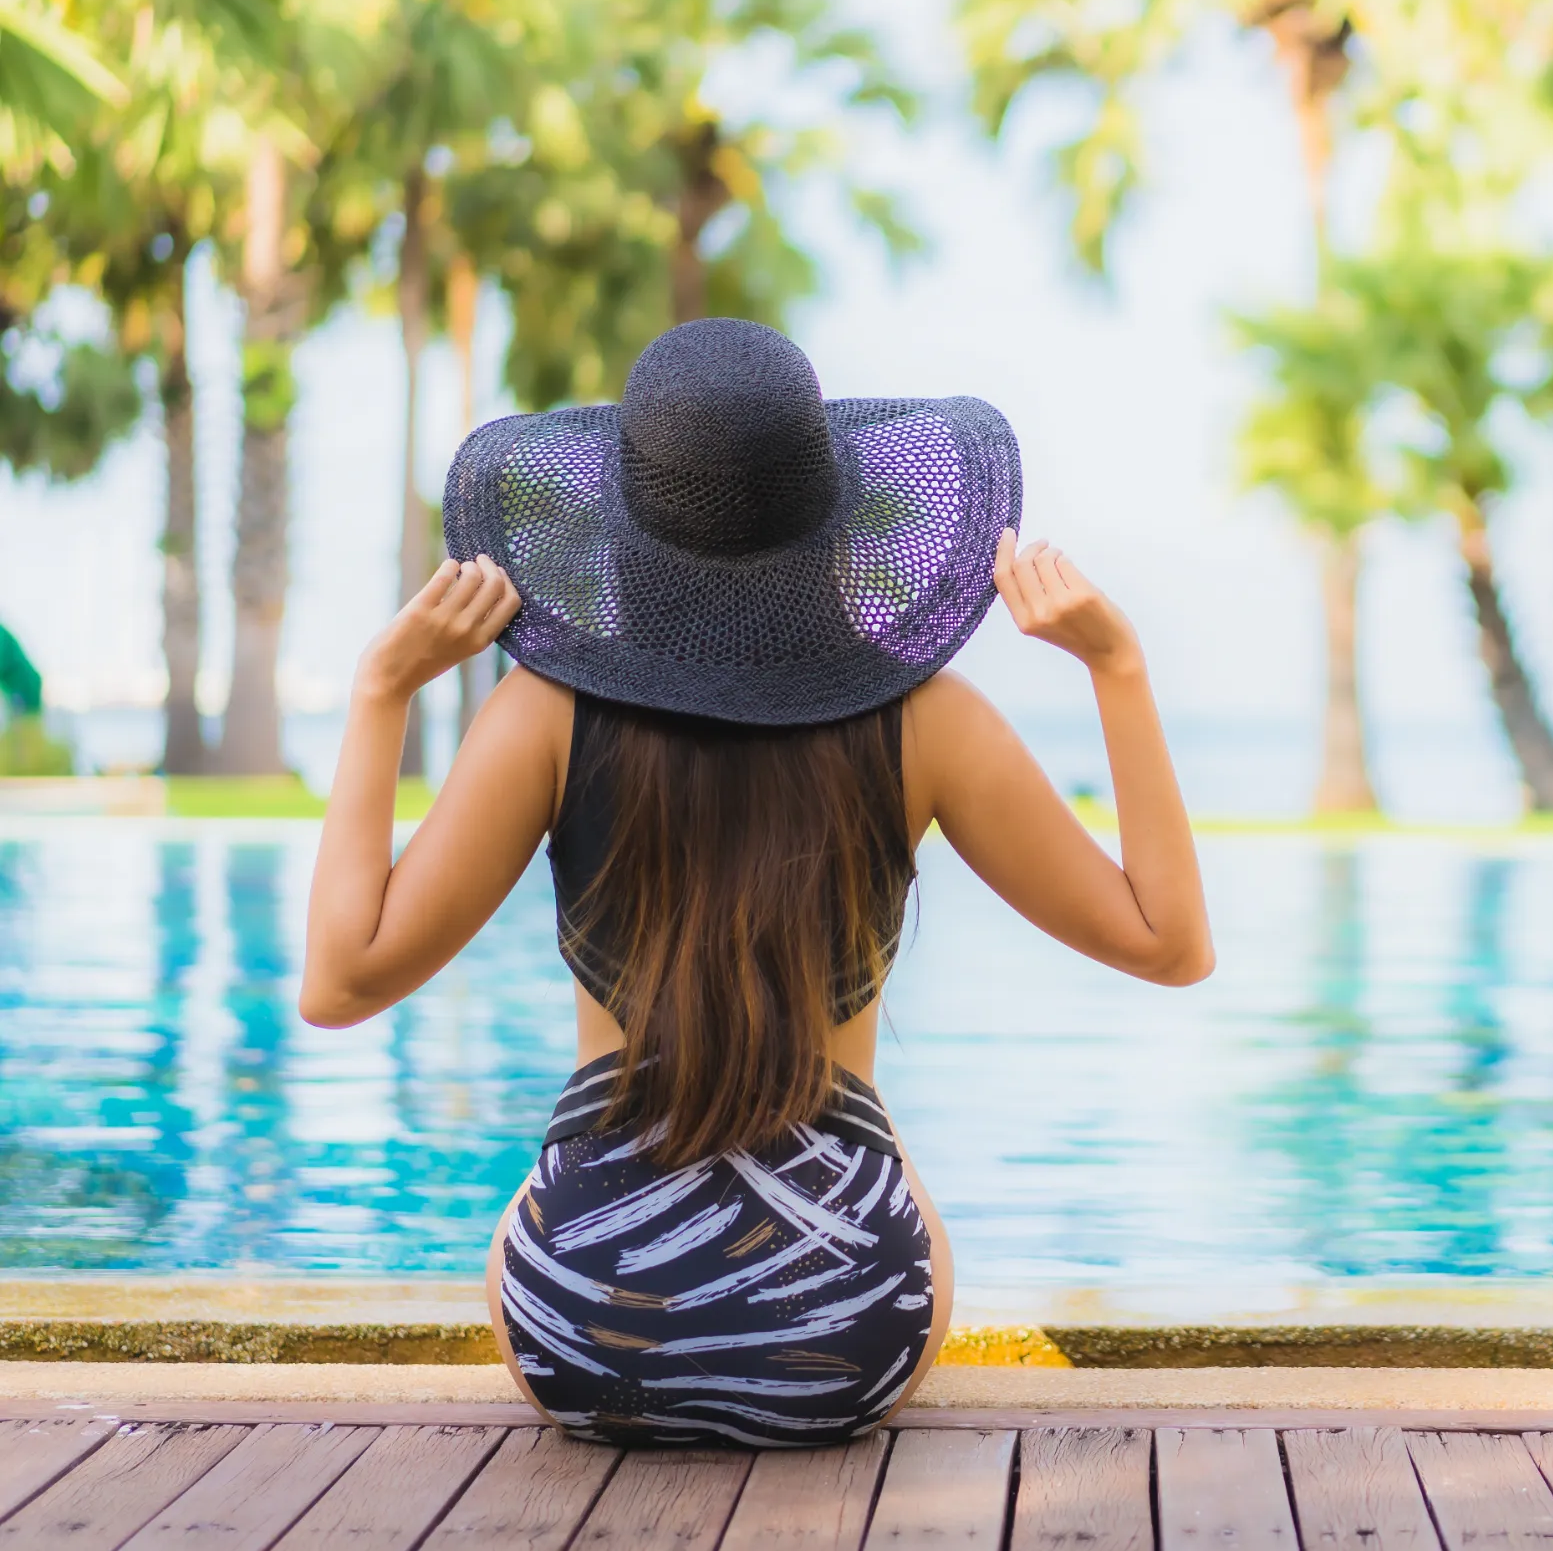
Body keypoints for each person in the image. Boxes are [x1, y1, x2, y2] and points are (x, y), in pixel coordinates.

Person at [299, 318, 1212, 1446]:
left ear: (623, 524)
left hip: (586, 1328)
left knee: (544, 1192)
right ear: (828, 517)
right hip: (847, 1327)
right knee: (888, 1163)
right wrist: (1116, 666)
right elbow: (1169, 944)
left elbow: (339, 985)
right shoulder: (924, 721)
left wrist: (380, 693)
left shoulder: (543, 718)